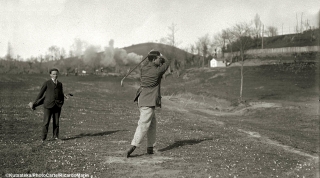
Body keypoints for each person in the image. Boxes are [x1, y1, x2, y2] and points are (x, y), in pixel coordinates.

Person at [126, 50, 171, 158]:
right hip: (148, 101)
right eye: (158, 59)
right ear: (154, 59)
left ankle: (150, 147)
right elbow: (167, 62)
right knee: (144, 124)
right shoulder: (157, 71)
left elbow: (149, 63)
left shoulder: (144, 68)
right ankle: (133, 146)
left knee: (152, 124)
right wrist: (161, 55)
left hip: (142, 99)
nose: (159, 60)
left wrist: (153, 56)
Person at [30, 68, 68, 143]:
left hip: (57, 106)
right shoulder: (47, 83)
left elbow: (61, 94)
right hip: (48, 105)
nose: (55, 75)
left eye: (56, 74)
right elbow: (41, 93)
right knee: (46, 122)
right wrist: (34, 103)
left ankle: (56, 137)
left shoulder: (60, 84)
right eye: (53, 74)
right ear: (50, 75)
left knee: (56, 122)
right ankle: (43, 138)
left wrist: (62, 102)